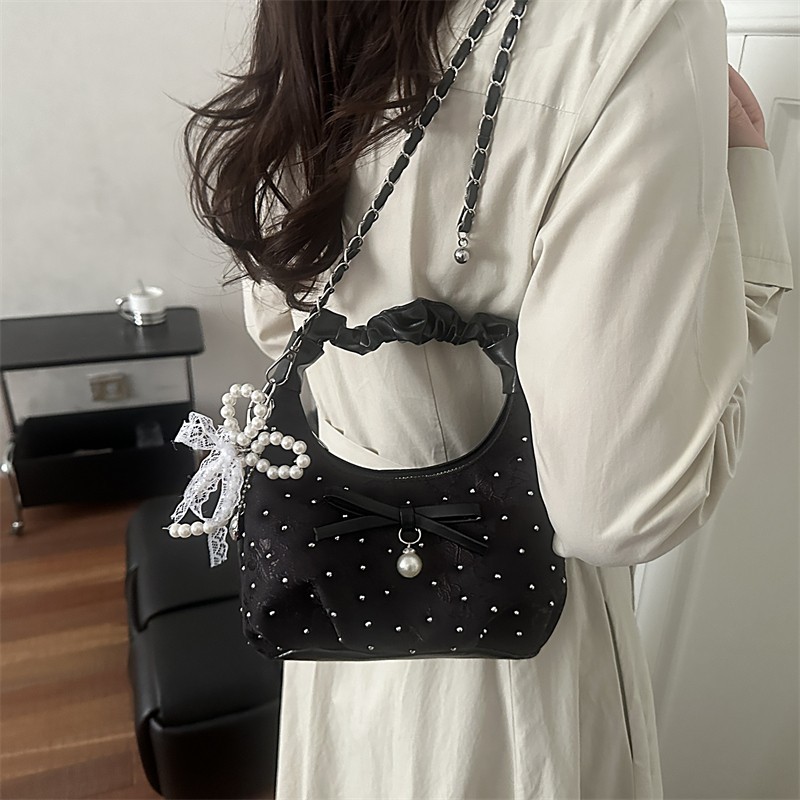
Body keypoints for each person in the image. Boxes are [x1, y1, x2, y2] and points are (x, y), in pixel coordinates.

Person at [183, 0, 794, 797]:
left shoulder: (313, 18)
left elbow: (275, 323)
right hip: (509, 662)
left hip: (336, 610)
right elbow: (621, 509)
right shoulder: (635, 22)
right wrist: (748, 227)